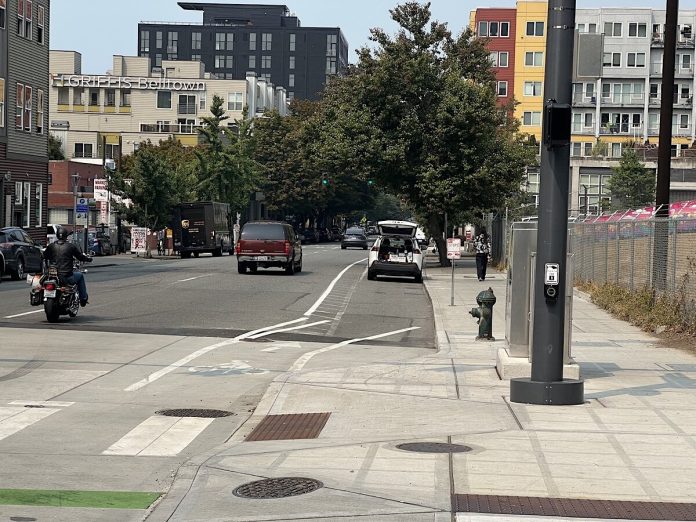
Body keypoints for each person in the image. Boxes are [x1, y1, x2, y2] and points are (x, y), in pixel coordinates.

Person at [43, 226, 92, 306]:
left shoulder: (51, 246)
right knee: (80, 276)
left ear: (57, 235)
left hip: (52, 276)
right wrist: (88, 259)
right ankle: (83, 299)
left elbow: (44, 256)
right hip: (66, 276)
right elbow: (80, 257)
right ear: (66, 236)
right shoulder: (71, 246)